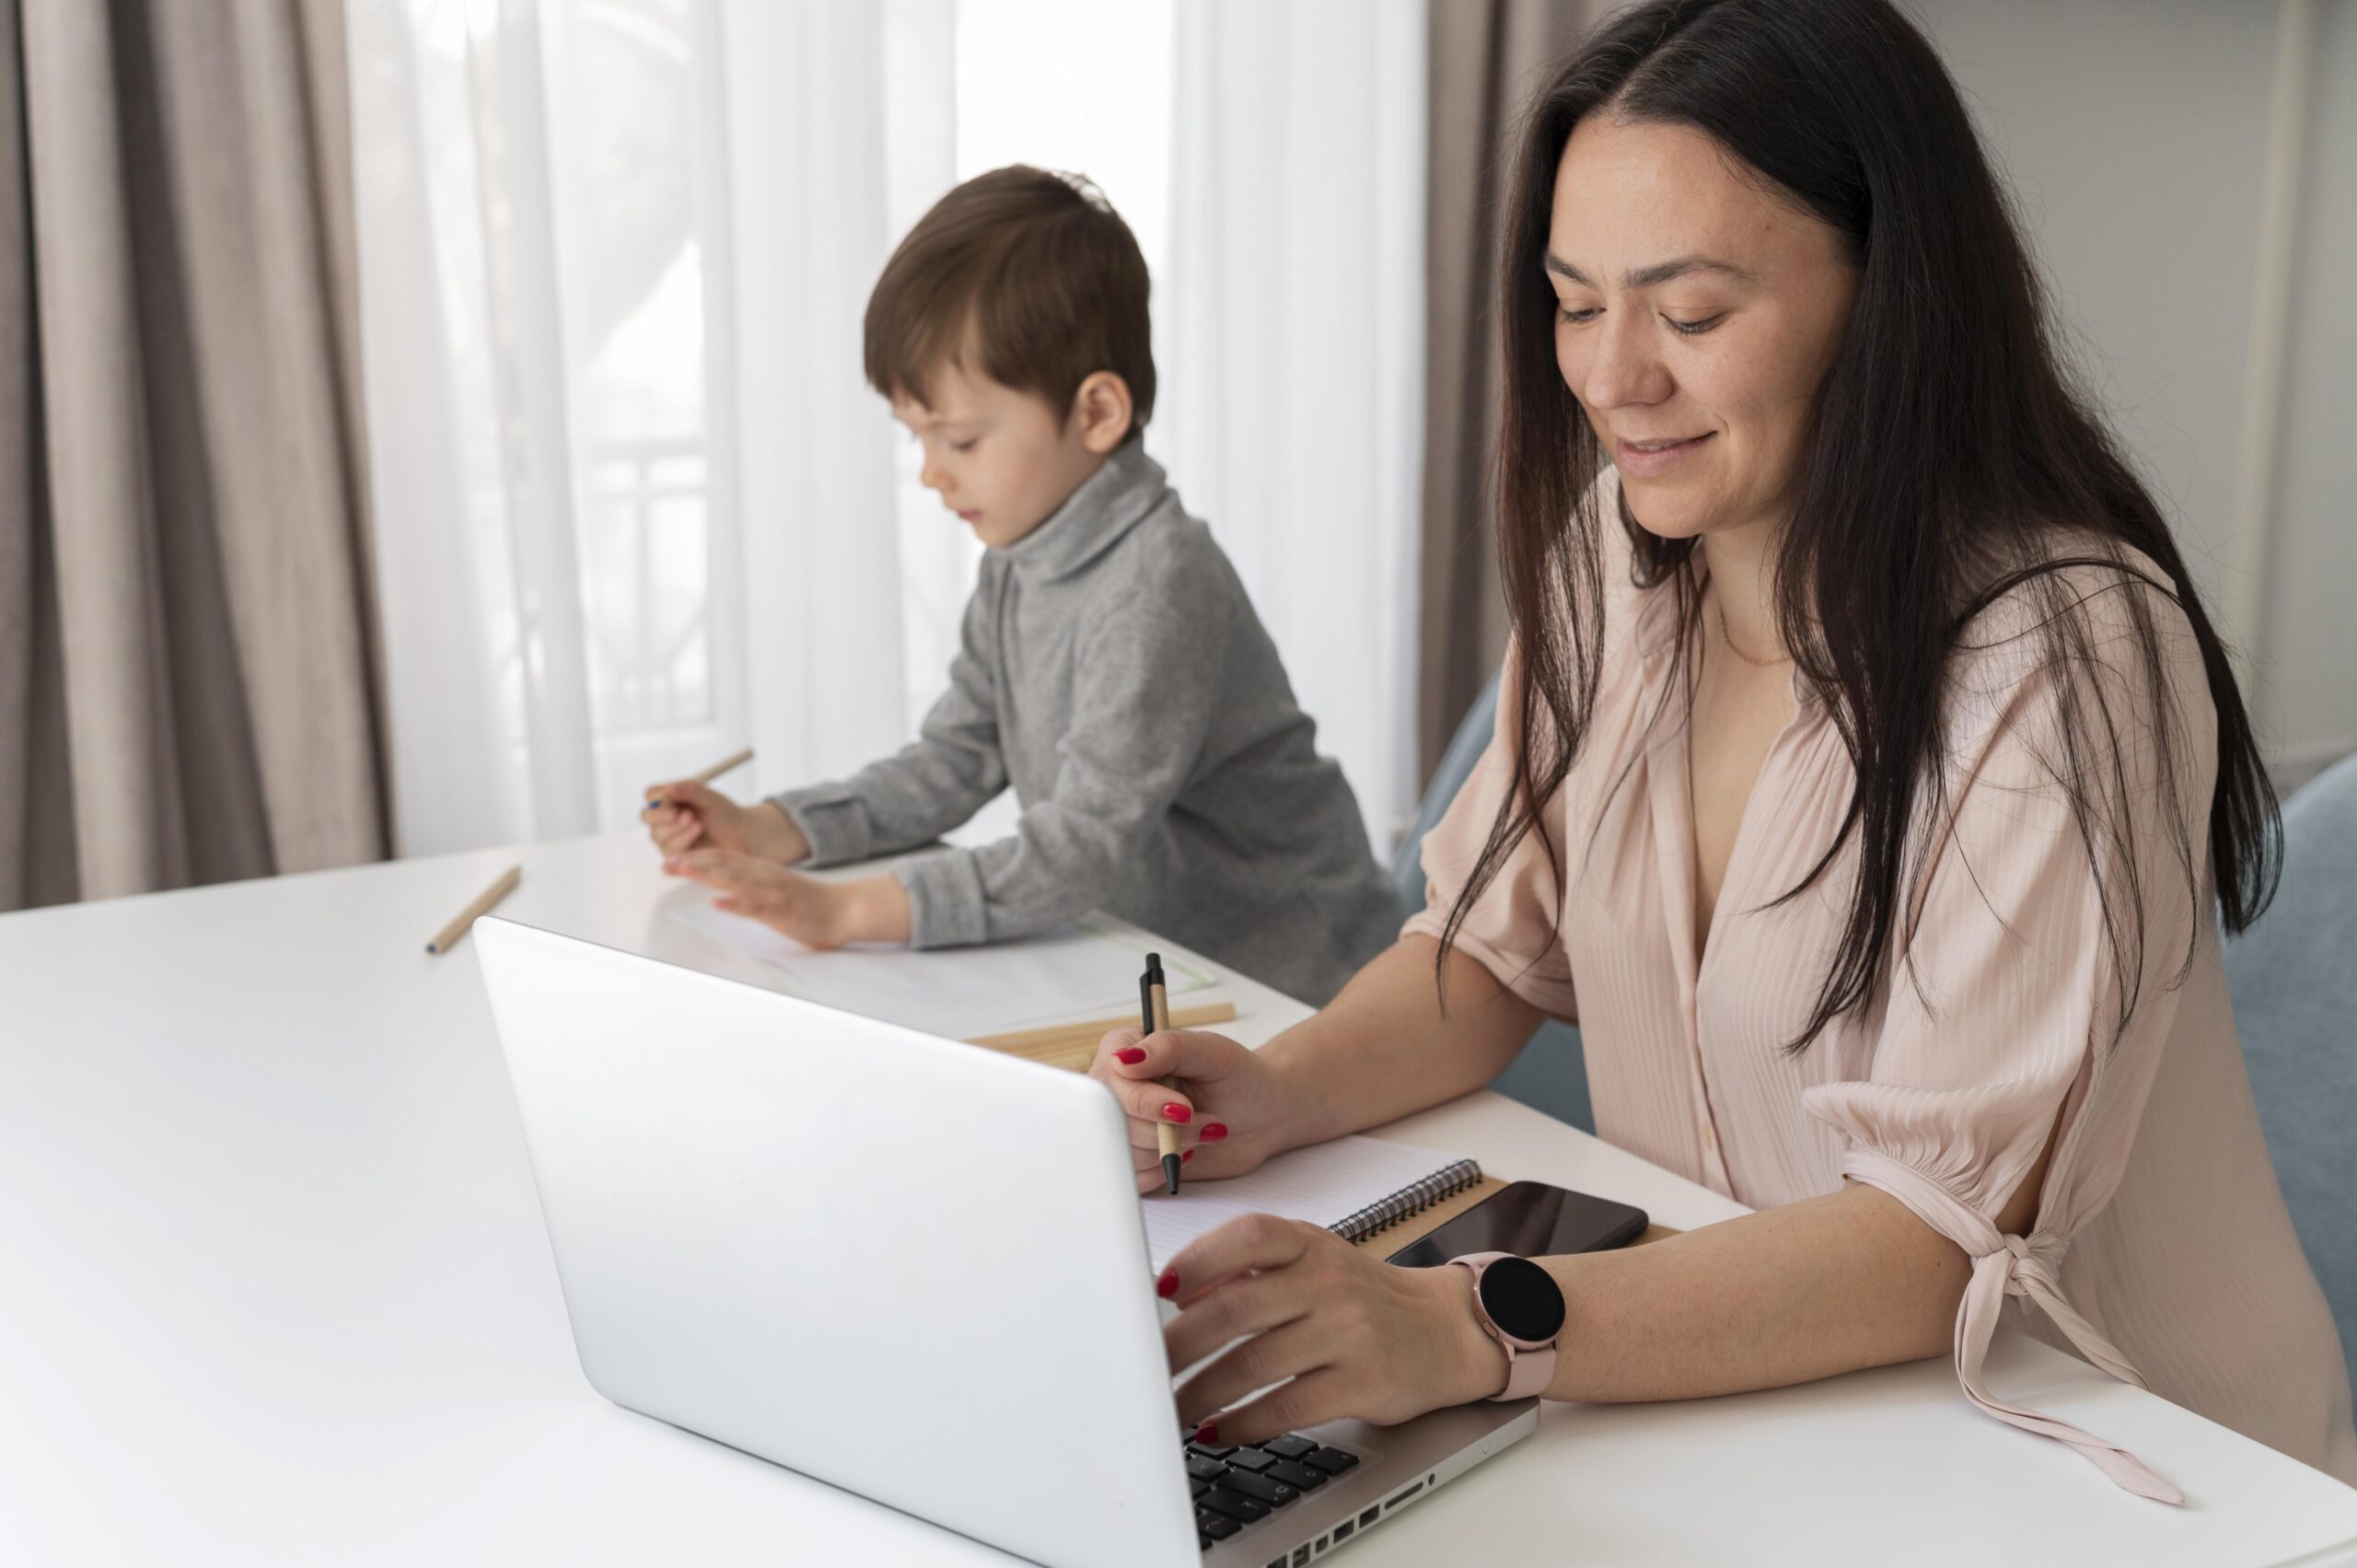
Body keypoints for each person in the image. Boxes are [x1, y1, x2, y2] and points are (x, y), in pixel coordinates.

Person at [1090, 0, 2357, 1496]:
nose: (1615, 376)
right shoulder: (1614, 558)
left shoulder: (2063, 650)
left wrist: (1455, 1324)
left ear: (1887, 295)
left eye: (1689, 315)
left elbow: (1925, 1242)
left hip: (2117, 1462)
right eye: (1574, 302)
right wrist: (1276, 1088)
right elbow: (1489, 950)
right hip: (1756, 1389)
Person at [640, 167, 1398, 1005]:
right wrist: (773, 828)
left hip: (1303, 983)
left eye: (959, 440)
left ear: (1098, 413)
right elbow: (957, 757)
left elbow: (1079, 846)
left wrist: (848, 908)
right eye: (918, 439)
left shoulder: (1155, 589)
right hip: (1162, 962)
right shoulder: (1020, 558)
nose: (931, 474)